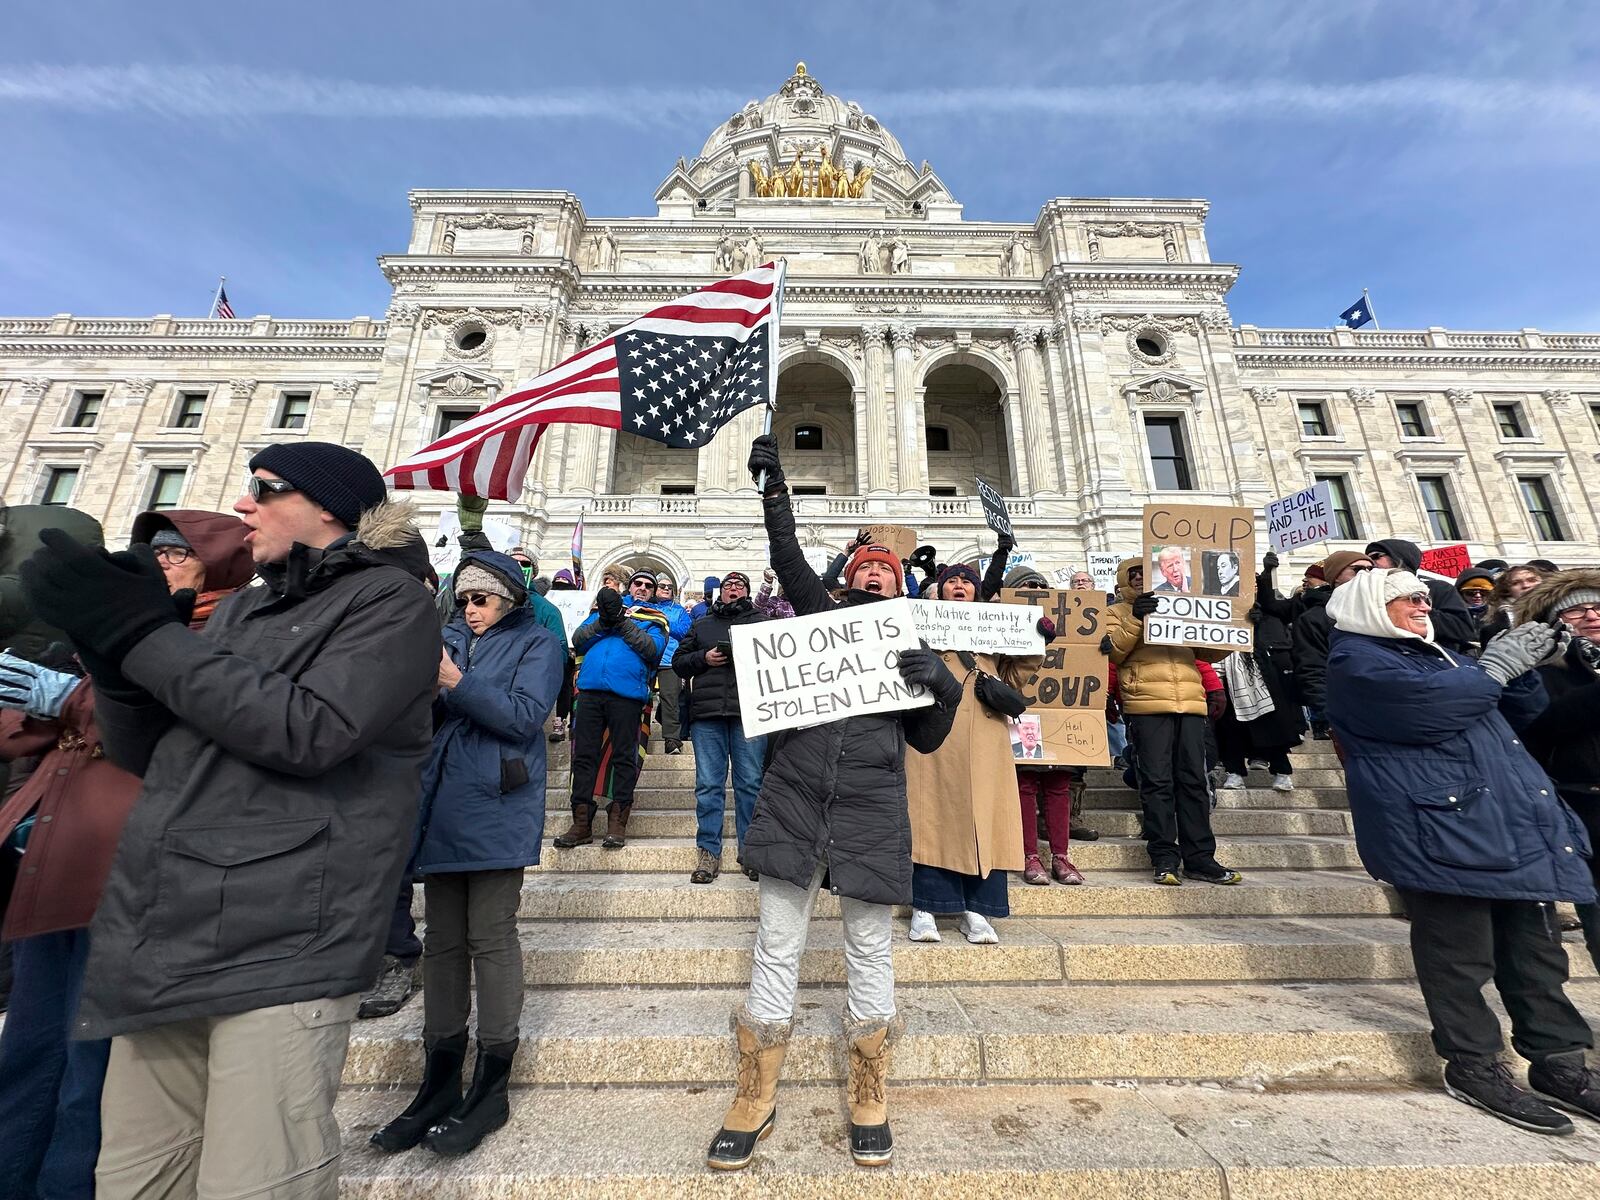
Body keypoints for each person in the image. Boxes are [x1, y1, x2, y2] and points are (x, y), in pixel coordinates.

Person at [16, 443, 440, 1198]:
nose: (242, 505)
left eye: (263, 489)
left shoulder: (390, 601)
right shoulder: (245, 605)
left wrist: (149, 639)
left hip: (285, 930)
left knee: (257, 1177)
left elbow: (310, 729)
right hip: (171, 919)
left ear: (325, 506)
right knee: (137, 1177)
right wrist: (118, 661)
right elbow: (154, 752)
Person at [706, 435, 961, 1172]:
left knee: (869, 949)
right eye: (866, 567)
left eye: (887, 570)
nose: (876, 574)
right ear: (849, 579)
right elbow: (786, 559)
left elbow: (931, 738)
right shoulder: (819, 615)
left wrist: (942, 686)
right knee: (777, 946)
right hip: (794, 800)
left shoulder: (915, 641)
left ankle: (869, 1088)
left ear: (899, 586)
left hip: (869, 809)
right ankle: (756, 1092)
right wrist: (774, 491)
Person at [0, 508, 253, 1197]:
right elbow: (22, 722)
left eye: (178, 551)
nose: (163, 562)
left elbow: (193, 733)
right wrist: (63, 703)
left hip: (134, 866)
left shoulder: (232, 629)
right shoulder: (105, 621)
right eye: (153, 552)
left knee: (93, 1068)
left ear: (216, 559)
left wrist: (78, 705)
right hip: (56, 854)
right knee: (27, 1050)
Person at [1325, 566, 1598, 1133]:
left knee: (1537, 954)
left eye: (1426, 597)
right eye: (1408, 599)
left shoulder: (1444, 655)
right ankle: (1474, 1064)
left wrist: (1525, 665)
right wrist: (1497, 665)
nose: (1424, 606)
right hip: (1441, 830)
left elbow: (1520, 718)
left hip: (1506, 821)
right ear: (1372, 607)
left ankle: (1561, 1061)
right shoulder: (1357, 660)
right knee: (1460, 955)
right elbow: (1427, 710)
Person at [373, 551, 562, 1157]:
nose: (470, 609)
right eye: (464, 599)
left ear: (507, 600)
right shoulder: (444, 636)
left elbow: (526, 716)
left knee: (490, 933)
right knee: (443, 939)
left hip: (498, 800)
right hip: (440, 798)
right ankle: (439, 1074)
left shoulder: (537, 643)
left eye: (481, 599)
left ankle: (493, 1077)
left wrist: (456, 683)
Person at [905, 563, 1049, 945]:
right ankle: (926, 906)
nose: (958, 586)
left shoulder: (993, 630)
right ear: (939, 590)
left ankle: (978, 910)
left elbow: (1017, 678)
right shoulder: (923, 627)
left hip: (986, 735)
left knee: (985, 819)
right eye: (950, 581)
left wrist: (1037, 642)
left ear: (976, 592)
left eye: (965, 582)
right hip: (935, 734)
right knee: (931, 815)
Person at [1102, 558, 1241, 886]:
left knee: (1194, 781)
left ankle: (1201, 858)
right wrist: (1137, 619)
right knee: (1157, 782)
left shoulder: (1183, 607)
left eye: (1143, 574)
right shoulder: (1116, 612)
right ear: (1124, 581)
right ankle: (1164, 856)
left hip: (1190, 704)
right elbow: (1112, 653)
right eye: (1133, 576)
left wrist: (1239, 622)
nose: (1139, 580)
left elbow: (1210, 651)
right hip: (1146, 705)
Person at [1516, 569, 1600, 973]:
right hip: (1586, 802)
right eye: (1577, 611)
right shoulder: (1539, 671)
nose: (1591, 616)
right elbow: (1541, 725)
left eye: (1597, 607)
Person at [554, 573, 668, 850]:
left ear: (653, 592)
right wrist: (606, 620)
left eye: (648, 585)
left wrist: (621, 622)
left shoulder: (655, 619)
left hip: (627, 696)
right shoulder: (599, 614)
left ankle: (617, 820)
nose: (642, 588)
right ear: (629, 587)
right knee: (583, 756)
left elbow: (652, 650)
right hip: (590, 692)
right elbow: (579, 639)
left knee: (623, 757)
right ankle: (581, 822)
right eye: (637, 583)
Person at [674, 570, 769, 884]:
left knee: (751, 785)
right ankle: (708, 852)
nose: (733, 589)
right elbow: (679, 661)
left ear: (747, 593)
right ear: (720, 592)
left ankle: (752, 851)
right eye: (729, 585)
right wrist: (704, 657)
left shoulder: (761, 622)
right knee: (708, 786)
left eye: (740, 586)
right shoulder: (701, 624)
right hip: (708, 715)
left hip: (749, 713)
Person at [1216, 550, 1306, 793]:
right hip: (1224, 668)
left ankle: (1281, 769)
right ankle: (1234, 771)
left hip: (1258, 668)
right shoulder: (1216, 602)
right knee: (1230, 725)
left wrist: (1268, 573)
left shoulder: (1265, 606)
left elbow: (1273, 602)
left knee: (1269, 718)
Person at [1291, 551, 1373, 743]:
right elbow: (1312, 669)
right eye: (1357, 569)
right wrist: (1333, 715)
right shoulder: (1315, 618)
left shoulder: (1389, 609)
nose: (1366, 574)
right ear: (1336, 576)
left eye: (1370, 569)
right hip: (1351, 717)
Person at [1364, 539, 1478, 655]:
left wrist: (1414, 615)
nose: (1370, 563)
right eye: (1368, 559)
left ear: (1398, 557)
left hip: (1436, 660)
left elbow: (1463, 629)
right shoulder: (1367, 593)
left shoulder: (1439, 588)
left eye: (1376, 556)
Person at [650, 573, 692, 755]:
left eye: (669, 587)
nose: (666, 589)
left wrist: (663, 622)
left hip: (670, 660)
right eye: (662, 586)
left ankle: (672, 739)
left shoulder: (679, 610)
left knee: (670, 700)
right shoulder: (647, 606)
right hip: (648, 656)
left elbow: (687, 631)